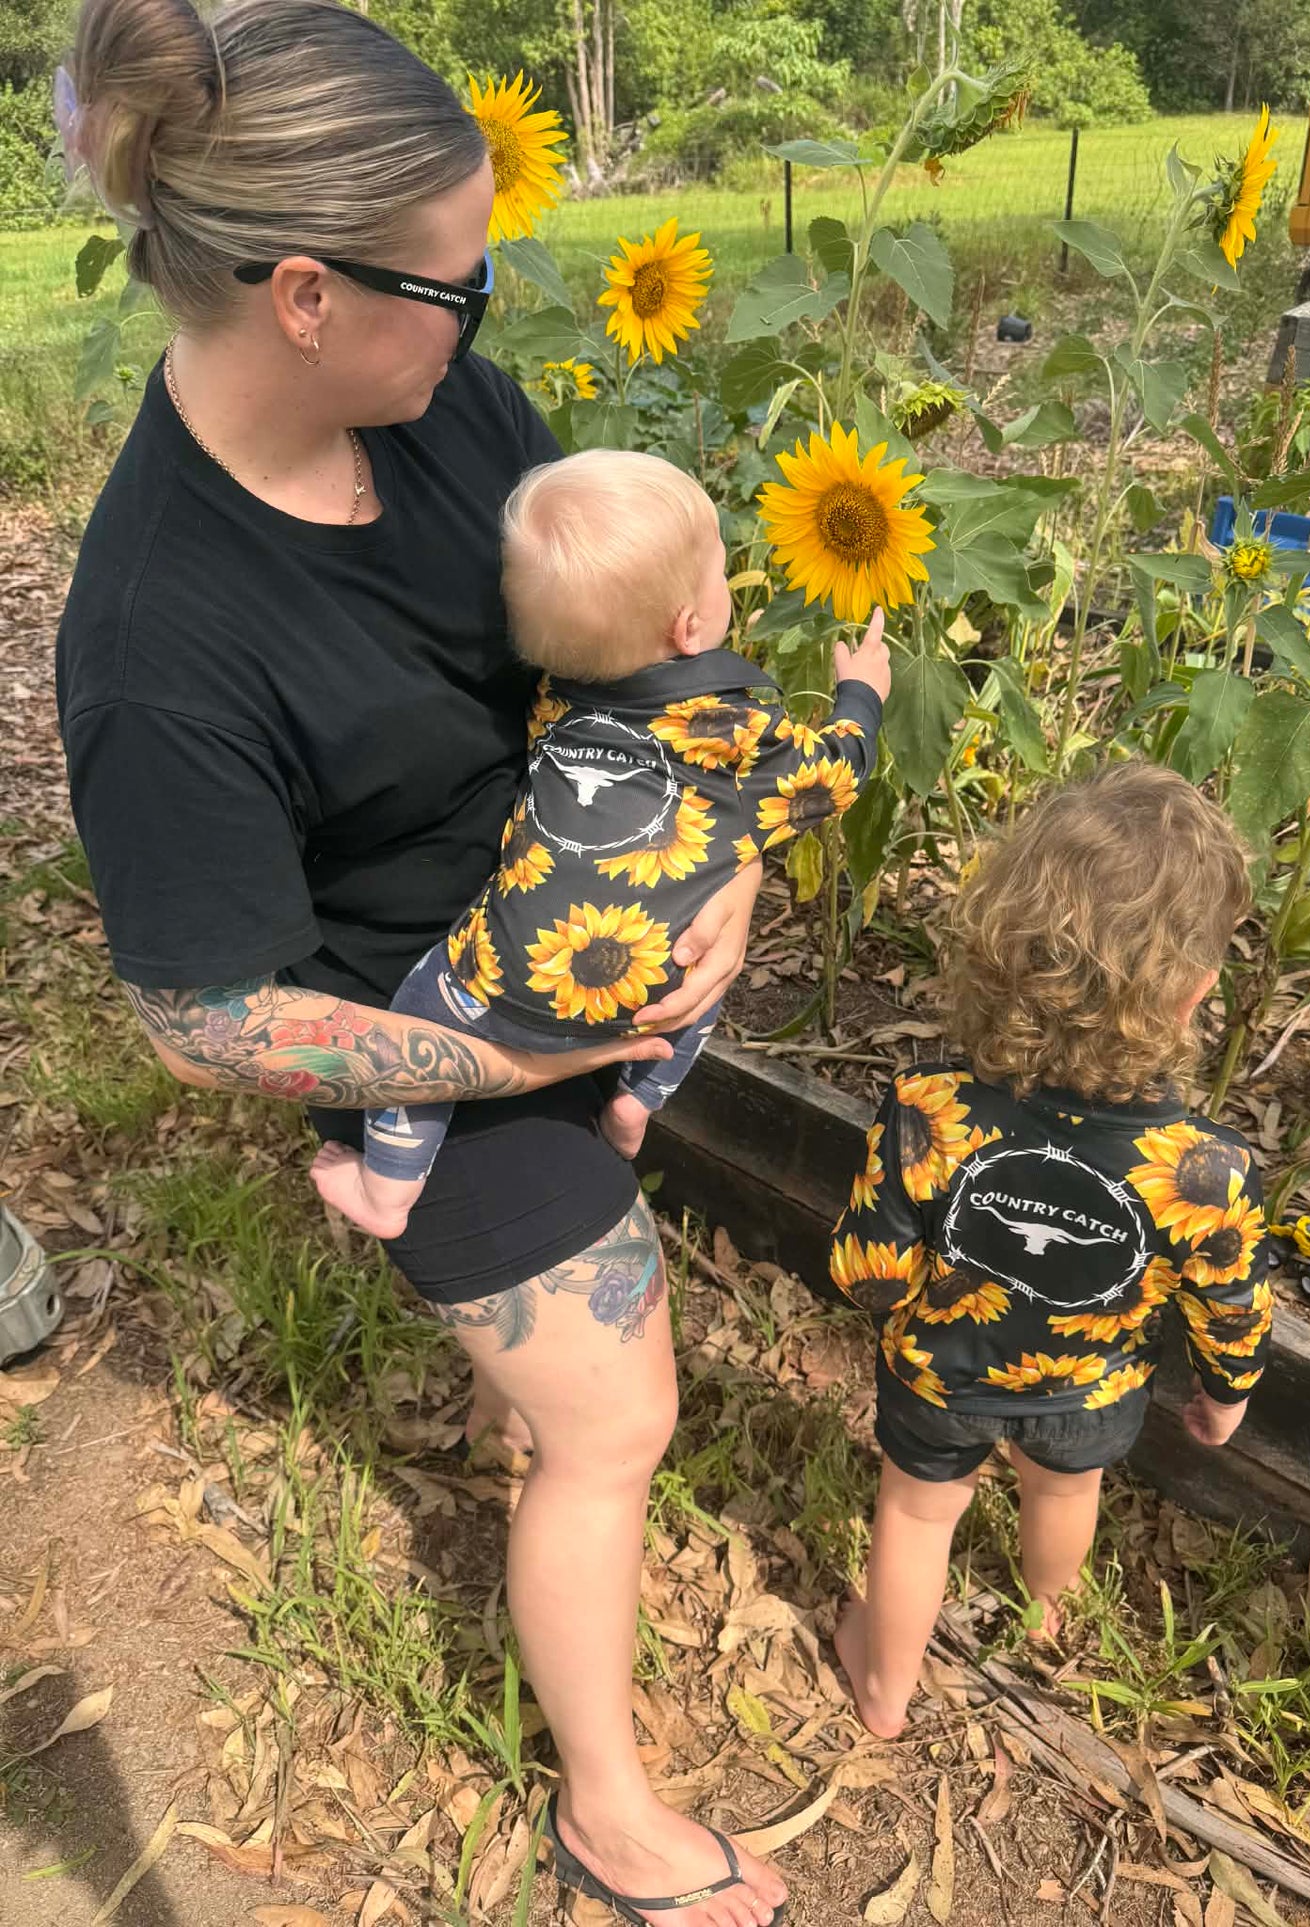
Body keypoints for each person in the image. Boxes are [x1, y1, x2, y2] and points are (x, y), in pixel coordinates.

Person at [53, 2, 787, 1920]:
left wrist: (727, 859)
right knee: (620, 1416)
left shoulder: (441, 407)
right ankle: (607, 1809)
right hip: (421, 1028)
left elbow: (606, 657)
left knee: (583, 1306)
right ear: (306, 294)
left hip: (564, 930)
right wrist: (528, 1062)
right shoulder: (158, 641)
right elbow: (206, 1016)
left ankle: (500, 1360)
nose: (486, 313)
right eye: (460, 280)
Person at [312, 448, 891, 1237]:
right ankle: (636, 1101)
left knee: (413, 1026)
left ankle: (387, 1188)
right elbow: (832, 779)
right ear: (689, 626)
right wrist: (861, 694)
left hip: (499, 978)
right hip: (642, 993)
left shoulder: (549, 699)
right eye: (720, 573)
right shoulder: (736, 729)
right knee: (703, 980)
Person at [827, 762, 1272, 1739]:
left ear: (1000, 947)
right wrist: (1225, 1392)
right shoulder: (1203, 1170)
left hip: (939, 1371)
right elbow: (1230, 1304)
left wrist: (899, 1306)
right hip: (1091, 1386)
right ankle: (1044, 1612)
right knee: (1066, 1487)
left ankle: (883, 1686)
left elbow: (867, 1270)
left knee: (916, 1512)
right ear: (1196, 992)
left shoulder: (928, 1107)